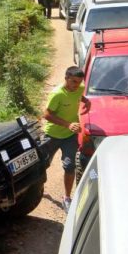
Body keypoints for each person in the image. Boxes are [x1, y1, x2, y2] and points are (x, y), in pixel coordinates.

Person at [42, 66, 90, 212]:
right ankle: (37, 190)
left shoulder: (79, 88)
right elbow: (46, 115)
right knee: (43, 164)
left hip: (70, 136)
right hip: (52, 135)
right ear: (66, 78)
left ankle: (67, 197)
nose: (77, 85)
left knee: (70, 166)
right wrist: (68, 124)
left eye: (79, 82)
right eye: (74, 82)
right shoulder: (57, 94)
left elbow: (79, 96)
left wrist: (86, 101)